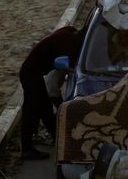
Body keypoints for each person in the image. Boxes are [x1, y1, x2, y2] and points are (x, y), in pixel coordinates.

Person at [19, 26, 86, 160]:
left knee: (45, 108)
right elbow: (73, 65)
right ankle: (26, 150)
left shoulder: (69, 32)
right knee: (31, 111)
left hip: (33, 72)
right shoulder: (72, 43)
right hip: (31, 73)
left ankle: (58, 138)